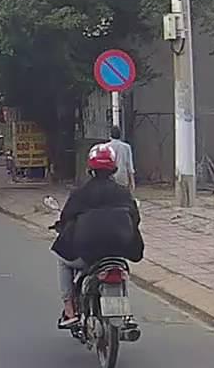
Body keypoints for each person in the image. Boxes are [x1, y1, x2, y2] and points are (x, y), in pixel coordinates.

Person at [50, 144, 144, 328]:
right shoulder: (123, 193)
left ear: (90, 169)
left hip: (88, 254)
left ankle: (69, 310)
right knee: (121, 271)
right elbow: (135, 219)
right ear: (113, 169)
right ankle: (127, 315)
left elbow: (66, 218)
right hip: (119, 251)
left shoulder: (80, 193)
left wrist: (61, 227)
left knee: (63, 260)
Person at [106, 126, 136, 191]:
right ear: (120, 135)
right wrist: (132, 181)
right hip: (122, 176)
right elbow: (130, 165)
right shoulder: (126, 147)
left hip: (109, 175)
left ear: (110, 135)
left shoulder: (106, 147)